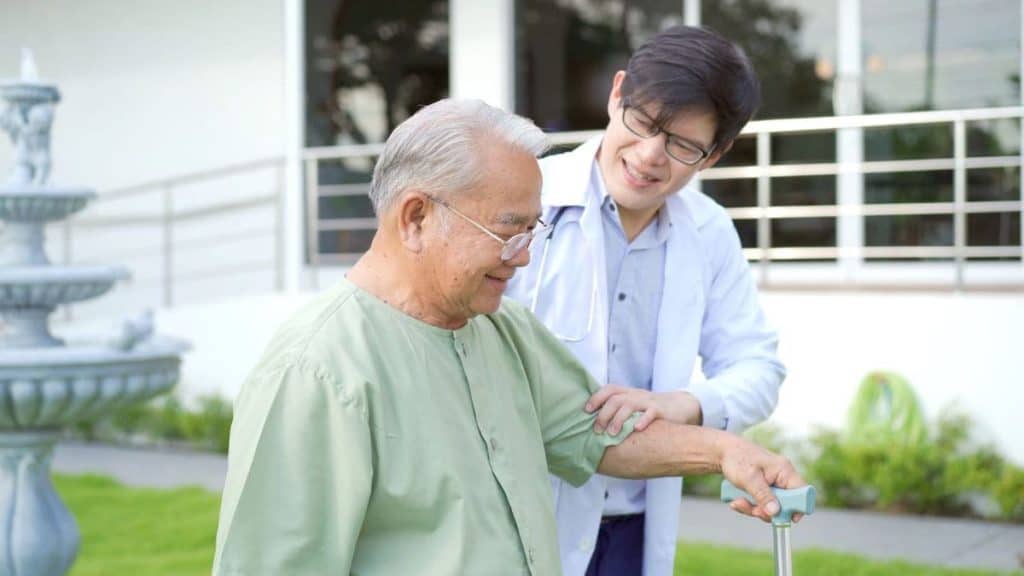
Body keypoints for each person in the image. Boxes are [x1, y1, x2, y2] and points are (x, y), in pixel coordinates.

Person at [213, 98, 803, 576]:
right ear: (415, 217)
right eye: (508, 231)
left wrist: (726, 452)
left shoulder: (504, 328)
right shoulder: (315, 372)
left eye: (533, 229)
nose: (524, 258)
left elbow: (595, 436)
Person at [505, 25, 783, 576]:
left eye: (682, 144)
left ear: (715, 155)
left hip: (634, 532)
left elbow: (759, 367)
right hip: (519, 517)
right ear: (617, 94)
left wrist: (683, 405)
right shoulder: (524, 195)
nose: (650, 155)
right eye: (644, 123)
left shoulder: (708, 231)